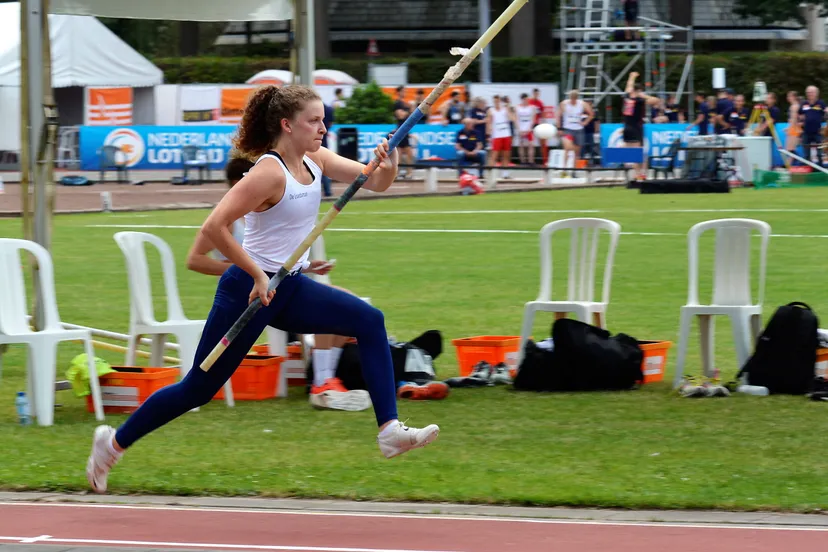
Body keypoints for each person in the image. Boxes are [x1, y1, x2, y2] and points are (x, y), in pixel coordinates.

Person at [86, 84, 440, 494]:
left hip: (289, 286)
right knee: (197, 389)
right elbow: (213, 228)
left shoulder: (316, 158)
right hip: (247, 291)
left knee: (368, 320)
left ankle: (389, 431)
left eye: (323, 119)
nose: (323, 127)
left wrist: (389, 158)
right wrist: (255, 273)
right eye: (314, 120)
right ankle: (111, 445)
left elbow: (376, 183)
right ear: (287, 125)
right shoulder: (267, 172)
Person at [185, 157, 370, 412]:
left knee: (351, 304)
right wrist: (246, 269)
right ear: (241, 183)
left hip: (282, 288)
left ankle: (323, 381)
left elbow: (280, 259)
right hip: (249, 297)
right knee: (199, 383)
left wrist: (307, 265)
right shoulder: (226, 220)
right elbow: (194, 260)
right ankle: (321, 382)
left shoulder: (264, 212)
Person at [622, 72, 660, 180]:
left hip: (626, 127)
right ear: (639, 91)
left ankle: (637, 173)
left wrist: (631, 76)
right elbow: (656, 100)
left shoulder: (627, 97)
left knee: (632, 153)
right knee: (638, 152)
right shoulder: (639, 100)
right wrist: (643, 95)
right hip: (636, 127)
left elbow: (629, 86)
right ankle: (641, 173)